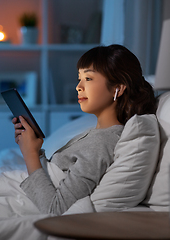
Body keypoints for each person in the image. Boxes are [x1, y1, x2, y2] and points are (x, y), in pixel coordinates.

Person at [12, 44, 156, 215]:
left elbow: (55, 209)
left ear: (118, 88)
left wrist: (30, 155)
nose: (78, 86)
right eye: (79, 78)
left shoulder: (101, 142)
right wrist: (34, 149)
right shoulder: (96, 135)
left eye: (88, 78)